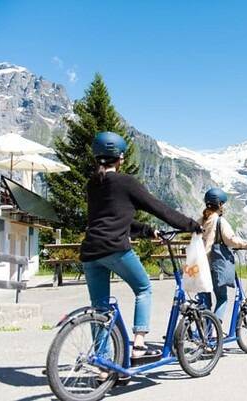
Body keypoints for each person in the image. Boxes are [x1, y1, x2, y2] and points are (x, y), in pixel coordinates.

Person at [80, 131, 202, 366]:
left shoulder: (93, 184)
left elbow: (110, 217)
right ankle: (138, 345)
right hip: (114, 248)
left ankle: (104, 365)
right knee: (144, 288)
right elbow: (158, 207)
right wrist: (190, 225)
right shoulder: (125, 182)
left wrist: (146, 230)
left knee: (100, 309)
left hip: (90, 252)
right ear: (120, 157)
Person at [197, 187, 247, 322]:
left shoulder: (200, 221)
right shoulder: (219, 221)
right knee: (222, 298)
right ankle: (215, 330)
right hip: (213, 265)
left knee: (205, 303)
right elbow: (231, 240)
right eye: (223, 204)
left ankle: (203, 330)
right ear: (219, 204)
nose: (223, 207)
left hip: (199, 266)